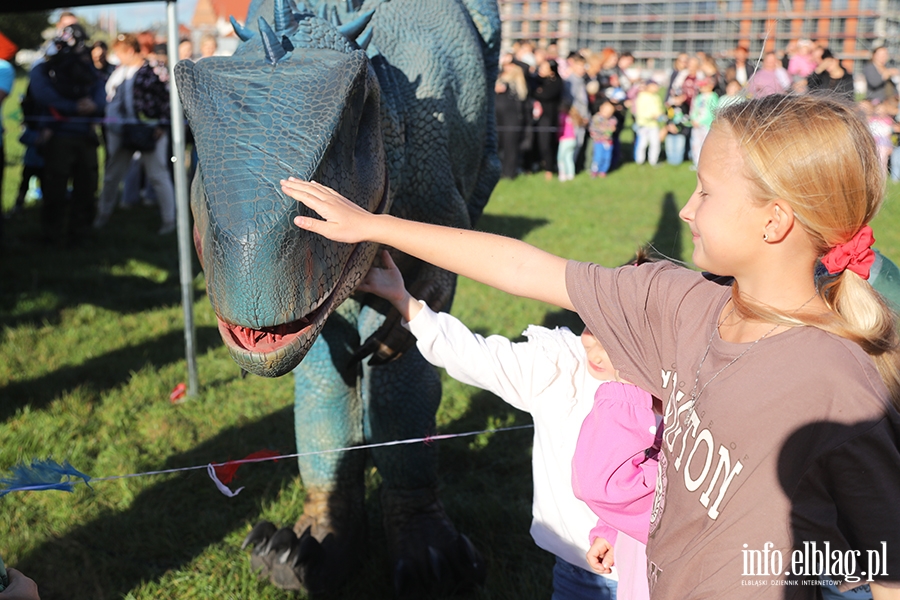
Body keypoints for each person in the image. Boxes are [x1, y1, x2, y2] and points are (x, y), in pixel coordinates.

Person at [281, 92, 900, 598]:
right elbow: (528, 269)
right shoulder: (683, 305)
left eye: (707, 192)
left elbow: (884, 561)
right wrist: (374, 226)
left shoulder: (835, 384)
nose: (686, 210)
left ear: (776, 220)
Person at [356, 249, 642, 600]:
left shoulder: (676, 389)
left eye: (616, 342)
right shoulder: (559, 369)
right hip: (579, 570)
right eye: (592, 328)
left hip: (653, 571)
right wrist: (403, 299)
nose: (595, 350)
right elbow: (477, 356)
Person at [28, 23, 106, 246]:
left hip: (85, 136)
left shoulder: (86, 63)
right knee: (55, 188)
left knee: (86, 187)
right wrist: (73, 107)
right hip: (58, 135)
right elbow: (42, 93)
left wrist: (93, 105)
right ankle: (51, 235)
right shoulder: (46, 65)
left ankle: (80, 235)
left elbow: (99, 88)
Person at [93, 33, 176, 235]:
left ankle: (171, 220)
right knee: (112, 175)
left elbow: (169, 97)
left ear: (129, 50)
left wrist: (162, 125)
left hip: (151, 132)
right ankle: (101, 216)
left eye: (119, 53)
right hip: (124, 132)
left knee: (158, 175)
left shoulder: (155, 68)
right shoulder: (120, 73)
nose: (117, 57)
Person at [688, 77, 718, 170]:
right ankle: (697, 163)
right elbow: (694, 110)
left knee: (706, 144)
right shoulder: (698, 98)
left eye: (704, 85)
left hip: (706, 126)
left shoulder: (713, 96)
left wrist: (701, 121)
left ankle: (707, 163)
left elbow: (712, 112)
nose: (702, 88)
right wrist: (693, 119)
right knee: (695, 144)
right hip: (696, 125)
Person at [633, 80, 664, 167]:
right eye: (654, 86)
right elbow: (640, 112)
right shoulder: (641, 97)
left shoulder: (656, 97)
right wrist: (651, 116)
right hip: (643, 125)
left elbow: (659, 109)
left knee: (655, 143)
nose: (656, 88)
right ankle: (639, 161)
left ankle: (653, 161)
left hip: (654, 125)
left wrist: (660, 114)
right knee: (642, 143)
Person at [588, 101, 617, 177]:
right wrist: (603, 129)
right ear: (601, 109)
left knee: (607, 157)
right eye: (606, 111)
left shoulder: (612, 119)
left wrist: (612, 129)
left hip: (608, 142)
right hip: (599, 141)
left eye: (610, 112)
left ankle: (603, 171)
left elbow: (613, 128)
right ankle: (594, 170)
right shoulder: (596, 118)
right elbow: (593, 129)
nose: (607, 114)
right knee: (598, 157)